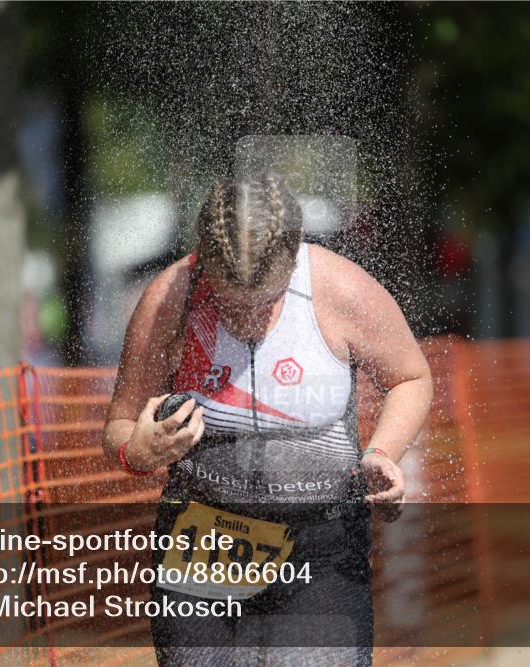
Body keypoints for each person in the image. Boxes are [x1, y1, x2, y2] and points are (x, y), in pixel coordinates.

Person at [103, 172, 432, 666]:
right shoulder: (170, 299)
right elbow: (119, 427)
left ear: (294, 253)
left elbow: (410, 377)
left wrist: (383, 451)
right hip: (202, 542)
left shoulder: (342, 290)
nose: (249, 316)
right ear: (203, 260)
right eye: (230, 301)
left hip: (321, 548)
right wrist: (137, 451)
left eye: (267, 300)